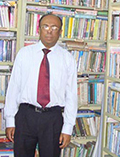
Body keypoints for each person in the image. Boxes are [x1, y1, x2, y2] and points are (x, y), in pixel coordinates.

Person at [4, 14, 77, 157]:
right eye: (46, 26)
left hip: (52, 118)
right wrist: (10, 121)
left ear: (60, 32)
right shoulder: (24, 54)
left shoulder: (67, 59)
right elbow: (14, 88)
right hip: (26, 115)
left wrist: (68, 127)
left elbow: (71, 95)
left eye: (54, 27)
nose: (49, 31)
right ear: (39, 29)